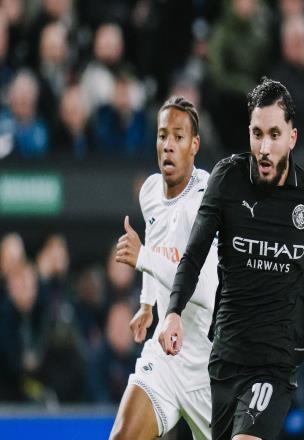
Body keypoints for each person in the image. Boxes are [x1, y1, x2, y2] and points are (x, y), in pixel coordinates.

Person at [160, 77, 304, 440]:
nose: (264, 147)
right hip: (225, 356)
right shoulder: (227, 179)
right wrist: (173, 311)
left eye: (274, 134)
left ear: (292, 137)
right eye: (257, 133)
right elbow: (194, 252)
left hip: (275, 364)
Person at [109, 96, 218, 439]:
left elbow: (205, 290)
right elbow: (157, 241)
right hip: (165, 356)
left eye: (178, 137)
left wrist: (142, 258)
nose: (168, 145)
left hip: (208, 368)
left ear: (194, 145)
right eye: (162, 135)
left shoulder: (206, 201)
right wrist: (146, 303)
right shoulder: (151, 191)